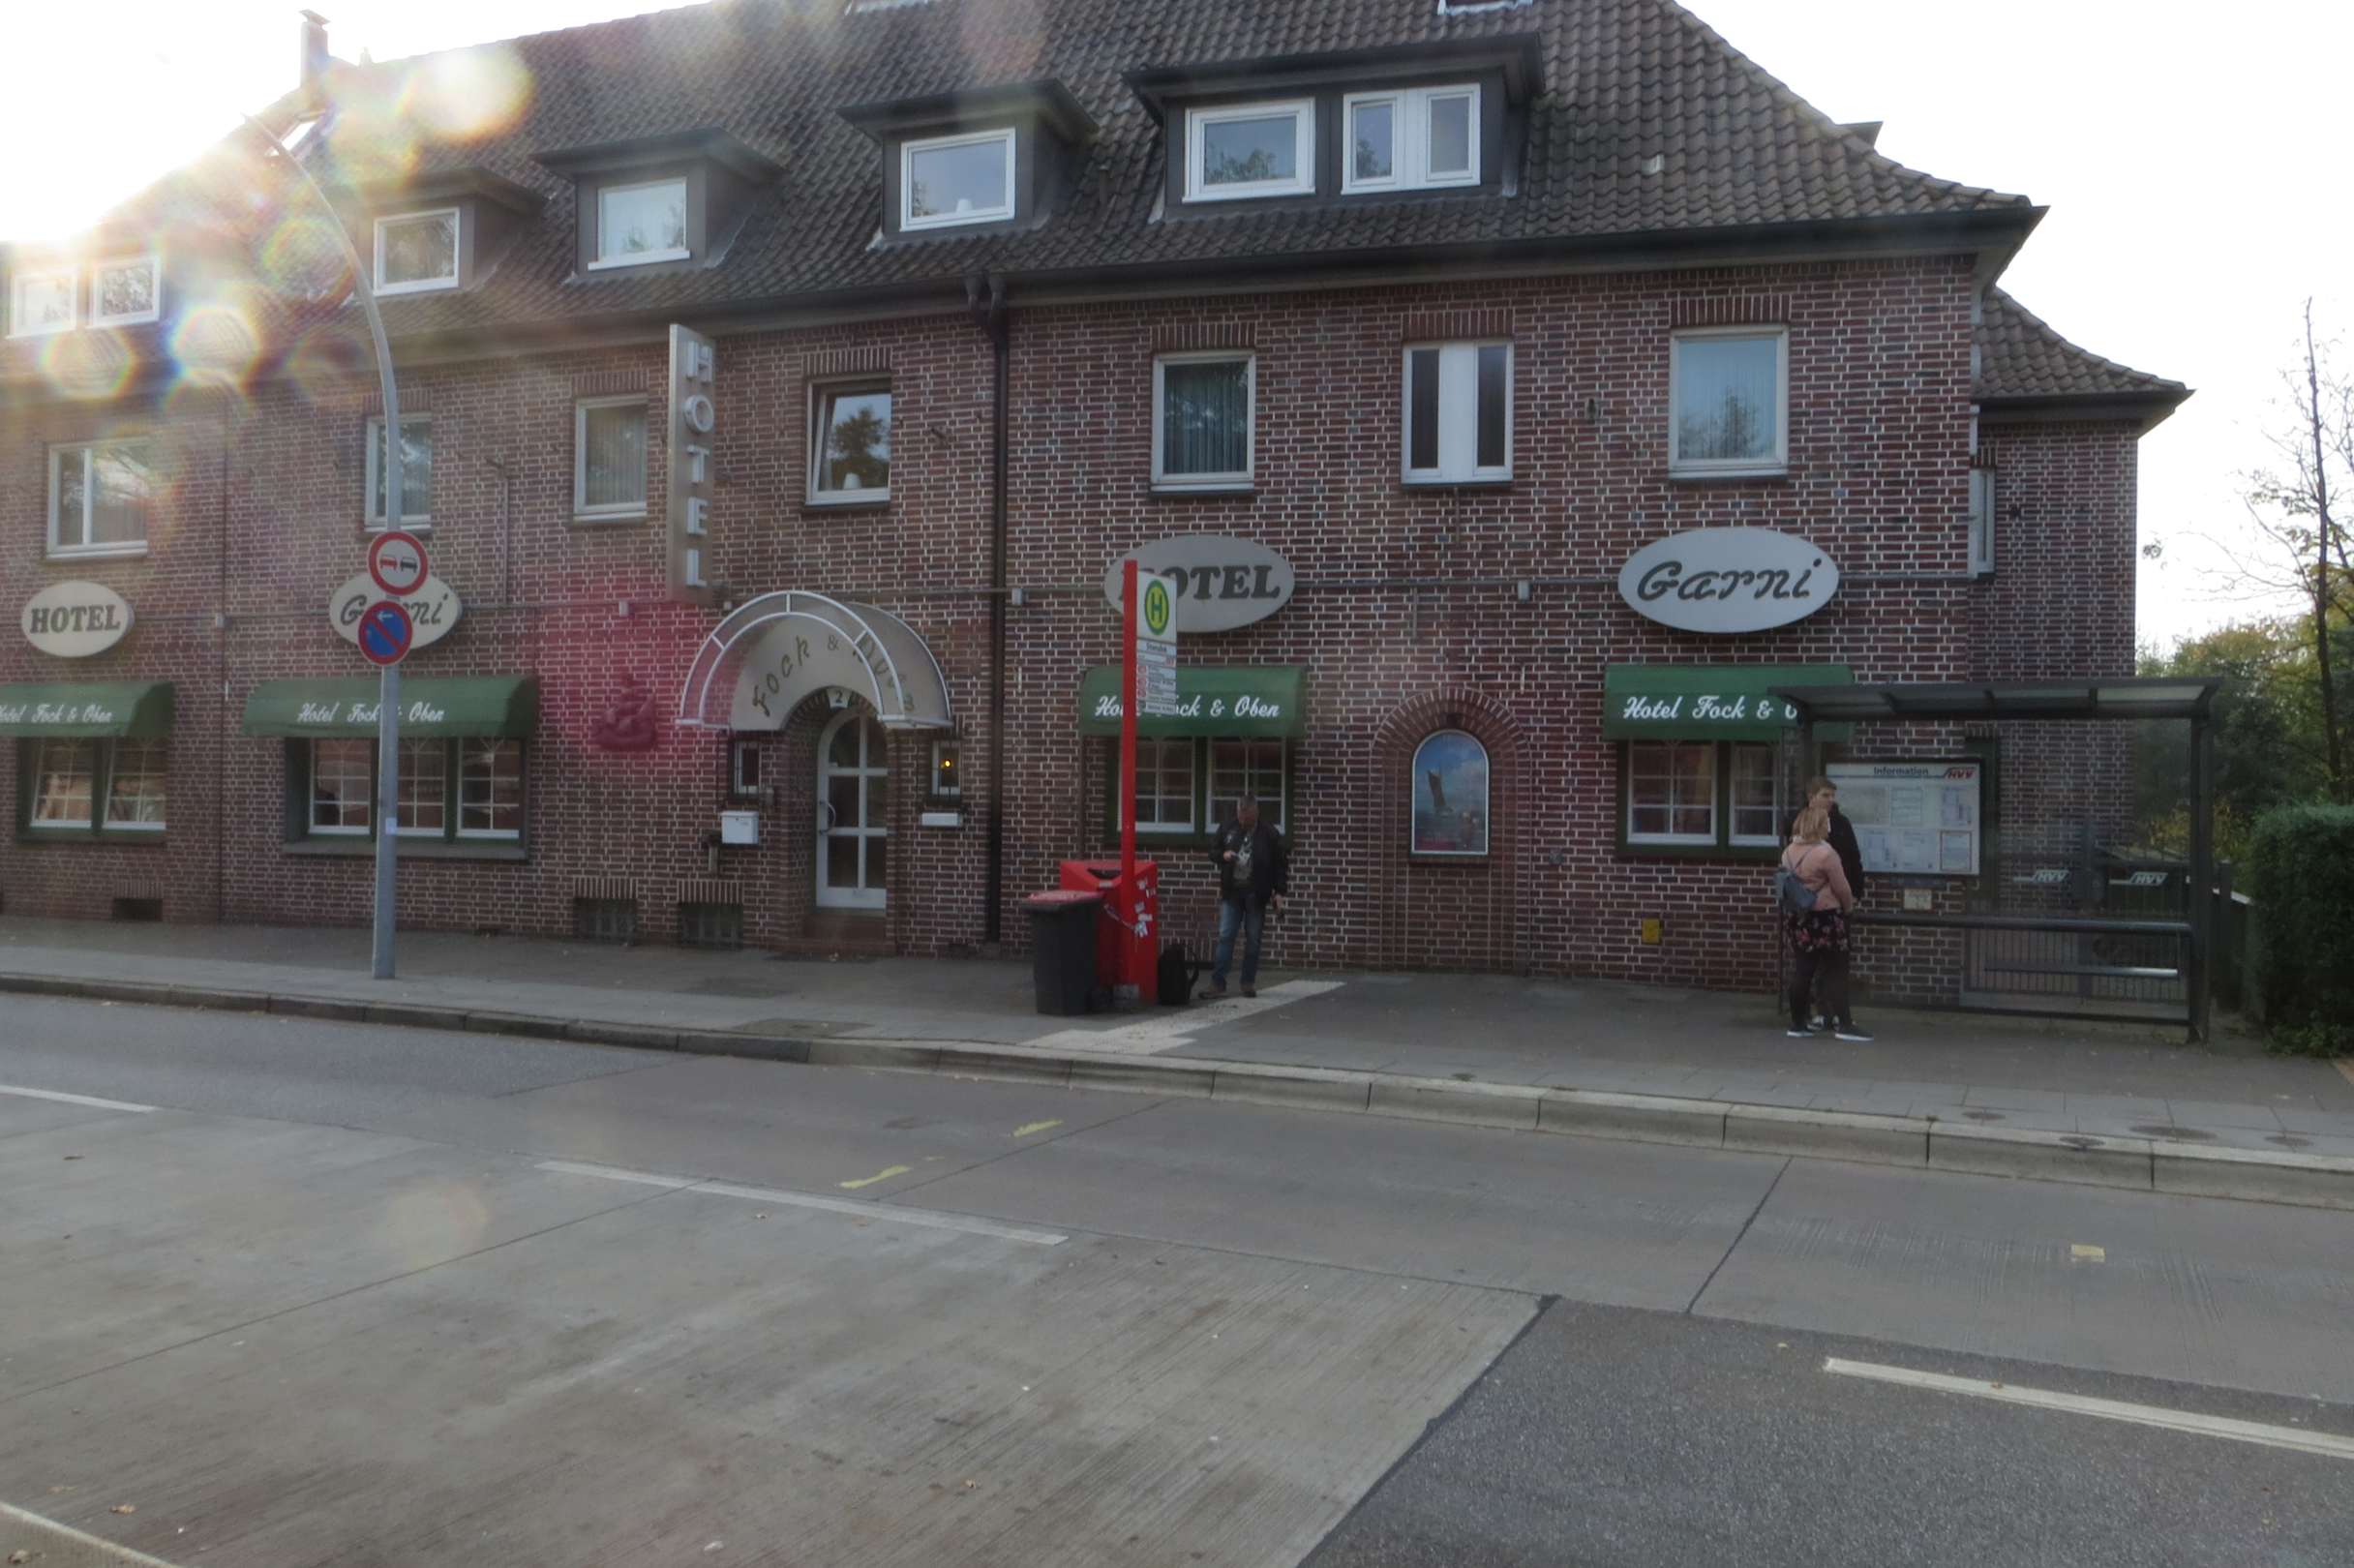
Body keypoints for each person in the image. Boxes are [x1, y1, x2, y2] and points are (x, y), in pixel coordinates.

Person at [1782, 805, 1872, 1041]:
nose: (1829, 827)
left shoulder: (1789, 852)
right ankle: (1845, 1024)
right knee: (1836, 971)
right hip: (1826, 917)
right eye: (1826, 823)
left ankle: (1797, 1024)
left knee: (1803, 970)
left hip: (1800, 917)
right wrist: (1849, 908)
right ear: (1818, 825)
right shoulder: (1826, 853)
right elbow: (1842, 888)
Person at [1206, 792, 1287, 999]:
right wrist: (1223, 855)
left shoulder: (1269, 833)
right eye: (1241, 818)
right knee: (1226, 936)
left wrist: (1279, 892)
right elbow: (1213, 851)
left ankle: (1247, 982)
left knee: (1253, 939)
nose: (1243, 823)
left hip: (1256, 893)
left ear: (1256, 813)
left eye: (1248, 820)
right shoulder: (1228, 828)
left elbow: (1280, 865)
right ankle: (1218, 982)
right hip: (1232, 891)